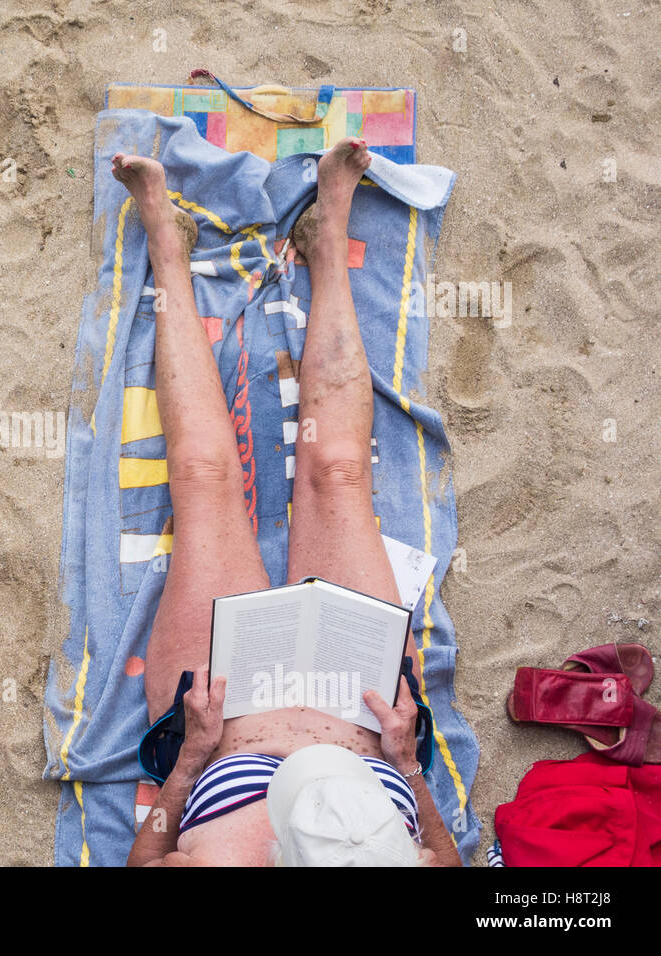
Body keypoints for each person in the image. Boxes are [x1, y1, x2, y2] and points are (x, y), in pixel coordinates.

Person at [112, 139, 461, 866]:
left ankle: (167, 249)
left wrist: (188, 764)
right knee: (336, 473)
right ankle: (325, 244)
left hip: (226, 727)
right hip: (362, 717)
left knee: (205, 483)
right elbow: (445, 859)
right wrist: (404, 764)